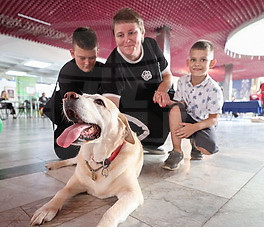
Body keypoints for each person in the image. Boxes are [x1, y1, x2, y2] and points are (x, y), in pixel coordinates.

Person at [101, 8, 173, 155]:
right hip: (131, 111)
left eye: (132, 32)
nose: (127, 39)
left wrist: (162, 90)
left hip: (154, 104)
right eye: (120, 35)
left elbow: (168, 76)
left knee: (177, 110)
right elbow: (112, 111)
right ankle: (132, 145)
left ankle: (158, 146)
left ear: (142, 33)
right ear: (115, 37)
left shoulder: (151, 46)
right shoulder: (111, 67)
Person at [163, 40, 223, 171]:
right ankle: (177, 151)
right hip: (187, 118)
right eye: (193, 59)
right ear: (188, 62)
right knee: (174, 110)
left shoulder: (214, 89)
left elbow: (214, 119)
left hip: (203, 123)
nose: (197, 64)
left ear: (212, 63)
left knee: (208, 149)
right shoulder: (182, 81)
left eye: (203, 60)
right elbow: (180, 104)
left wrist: (194, 128)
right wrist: (167, 101)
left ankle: (196, 145)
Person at [53, 27, 103, 159]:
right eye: (82, 58)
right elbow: (72, 109)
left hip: (99, 119)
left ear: (98, 52)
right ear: (72, 53)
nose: (87, 63)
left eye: (91, 58)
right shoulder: (66, 71)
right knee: (65, 153)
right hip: (72, 119)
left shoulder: (105, 70)